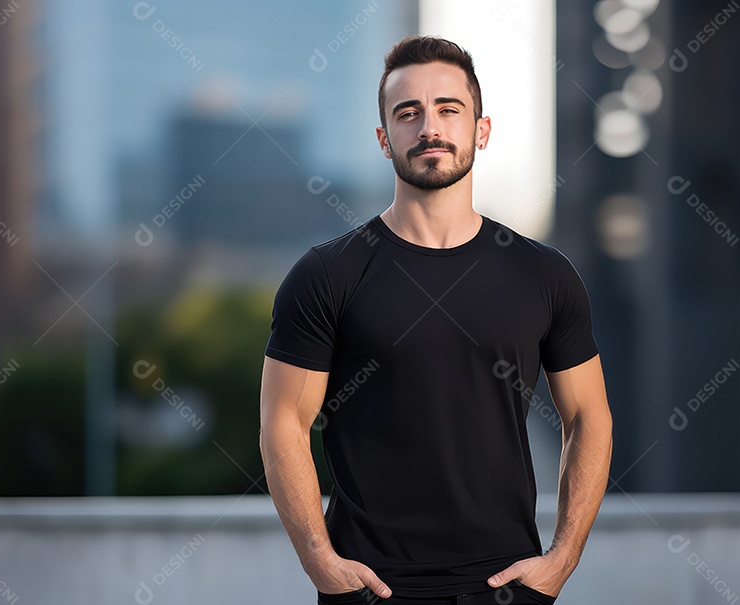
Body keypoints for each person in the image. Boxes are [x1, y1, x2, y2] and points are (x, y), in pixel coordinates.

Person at [260, 35, 612, 605]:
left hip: (506, 588)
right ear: (384, 139)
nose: (430, 128)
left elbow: (588, 415)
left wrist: (562, 558)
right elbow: (282, 422)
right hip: (368, 591)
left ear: (481, 130)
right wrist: (320, 561)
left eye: (449, 110)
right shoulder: (326, 274)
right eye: (408, 113)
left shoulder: (544, 275)